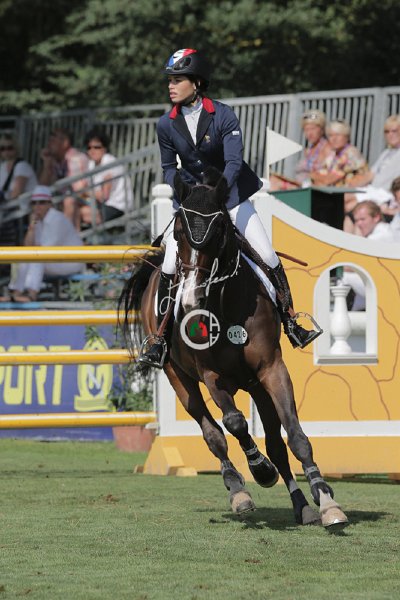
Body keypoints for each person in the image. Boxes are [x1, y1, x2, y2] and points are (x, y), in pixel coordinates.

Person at [140, 48, 322, 367]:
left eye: (177, 80)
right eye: (169, 80)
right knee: (169, 265)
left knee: (266, 254)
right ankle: (160, 338)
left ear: (197, 82)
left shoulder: (223, 114)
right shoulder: (165, 124)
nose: (171, 85)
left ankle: (292, 321)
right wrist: (180, 189)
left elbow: (234, 161)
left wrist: (219, 192)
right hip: (192, 204)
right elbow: (168, 167)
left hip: (230, 195)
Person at [0, 186, 84, 303]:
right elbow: (28, 247)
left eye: (42, 202)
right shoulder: (38, 220)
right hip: (56, 260)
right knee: (23, 257)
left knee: (37, 258)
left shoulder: (57, 219)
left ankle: (32, 295)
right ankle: (16, 293)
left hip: (72, 262)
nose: (37, 206)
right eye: (34, 203)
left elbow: (45, 250)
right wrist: (31, 227)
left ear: (50, 204)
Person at [341, 200, 397, 310]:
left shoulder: (381, 235)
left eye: (363, 219)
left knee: (342, 276)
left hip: (390, 288)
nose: (358, 224)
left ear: (376, 217)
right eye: (356, 220)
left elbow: (350, 265)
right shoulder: (378, 232)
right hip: (383, 283)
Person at [77, 128, 133, 228]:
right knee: (70, 206)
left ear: (104, 148)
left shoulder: (109, 162)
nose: (92, 151)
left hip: (117, 207)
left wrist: (84, 191)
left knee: (76, 212)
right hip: (100, 206)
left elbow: (103, 196)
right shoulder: (91, 164)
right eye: (89, 148)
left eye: (96, 147)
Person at [344, 114, 400, 214]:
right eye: (387, 131)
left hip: (387, 195)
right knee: (342, 197)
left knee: (349, 205)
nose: (390, 134)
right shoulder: (386, 153)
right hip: (373, 190)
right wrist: (349, 186)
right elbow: (370, 175)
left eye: (394, 131)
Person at [269, 109, 332, 191]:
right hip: (302, 186)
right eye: (306, 130)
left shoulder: (327, 148)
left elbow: (327, 175)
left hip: (313, 189)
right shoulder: (309, 150)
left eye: (313, 129)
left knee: (274, 183)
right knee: (272, 180)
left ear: (322, 129)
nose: (309, 133)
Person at [38, 128, 88, 225]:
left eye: (53, 140)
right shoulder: (55, 160)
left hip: (86, 197)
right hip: (64, 198)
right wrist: (46, 164)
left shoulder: (75, 158)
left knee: (68, 201)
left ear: (65, 143)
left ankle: (67, 234)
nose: (49, 144)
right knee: (39, 204)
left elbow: (78, 190)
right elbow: (42, 187)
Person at [0, 133, 38, 251]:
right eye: (2, 148)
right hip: (7, 210)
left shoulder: (22, 166)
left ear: (16, 149)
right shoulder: (3, 166)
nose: (6, 152)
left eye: (10, 148)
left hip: (22, 209)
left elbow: (16, 193)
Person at [310, 120, 369, 187]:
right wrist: (318, 178)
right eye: (331, 135)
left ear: (347, 137)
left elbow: (329, 180)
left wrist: (320, 178)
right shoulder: (333, 154)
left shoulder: (351, 153)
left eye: (338, 135)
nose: (334, 139)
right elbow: (314, 175)